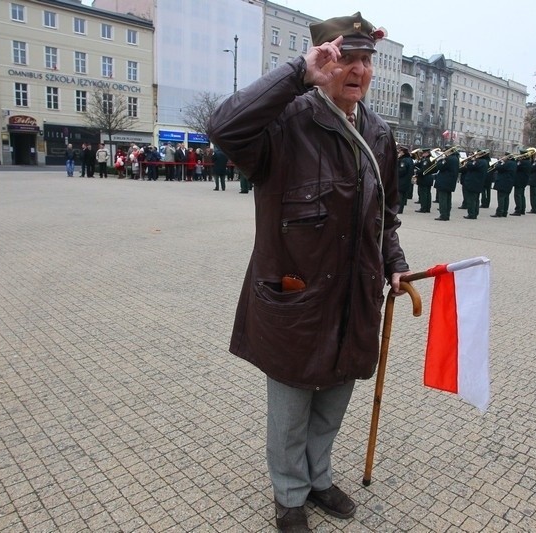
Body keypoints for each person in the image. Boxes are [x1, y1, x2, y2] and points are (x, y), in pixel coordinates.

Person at [207, 12, 410, 532]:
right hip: (297, 298)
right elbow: (223, 127)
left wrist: (395, 264)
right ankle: (290, 495)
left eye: (367, 60)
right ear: (323, 59)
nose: (359, 70)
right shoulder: (284, 122)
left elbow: (385, 216)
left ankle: (318, 478)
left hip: (354, 298)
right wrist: (298, 72)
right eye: (347, 57)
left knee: (335, 399)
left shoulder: (380, 134)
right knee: (292, 410)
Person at [461, 150, 489, 219]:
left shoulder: (479, 162)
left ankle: (471, 214)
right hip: (478, 182)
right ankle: (475, 213)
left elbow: (469, 166)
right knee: (476, 199)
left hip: (473, 182)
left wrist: (471, 160)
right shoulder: (484, 162)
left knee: (471, 199)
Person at [432, 148, 458, 220]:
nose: (444, 152)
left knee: (443, 199)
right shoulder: (455, 158)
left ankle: (443, 215)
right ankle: (447, 214)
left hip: (444, 181)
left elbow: (440, 167)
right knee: (448, 199)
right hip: (450, 181)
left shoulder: (448, 159)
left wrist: (439, 160)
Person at [490, 154, 516, 218]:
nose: (503, 157)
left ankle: (499, 212)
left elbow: (499, 167)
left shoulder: (507, 163)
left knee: (501, 198)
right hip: (509, 182)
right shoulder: (514, 163)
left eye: (504, 156)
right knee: (506, 198)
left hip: (503, 182)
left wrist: (499, 162)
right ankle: (504, 212)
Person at [510, 149, 531, 215]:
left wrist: (515, 160)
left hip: (519, 180)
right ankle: (522, 209)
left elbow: (516, 167)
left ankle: (518, 210)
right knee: (522, 195)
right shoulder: (528, 161)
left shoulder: (522, 162)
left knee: (517, 195)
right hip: (523, 180)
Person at [414, 148, 433, 213]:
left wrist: (417, 172)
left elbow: (423, 170)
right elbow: (418, 165)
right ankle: (427, 208)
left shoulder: (426, 160)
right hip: (428, 178)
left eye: (424, 153)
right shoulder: (426, 159)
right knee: (428, 193)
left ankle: (423, 208)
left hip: (425, 179)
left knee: (424, 194)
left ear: (427, 153)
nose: (423, 154)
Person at [396, 145, 413, 213]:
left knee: (400, 196)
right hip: (406, 180)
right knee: (402, 196)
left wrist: (395, 171)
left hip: (402, 180)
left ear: (403, 152)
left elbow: (402, 170)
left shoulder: (404, 160)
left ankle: (399, 209)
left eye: (400, 151)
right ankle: (400, 209)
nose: (399, 153)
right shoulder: (409, 159)